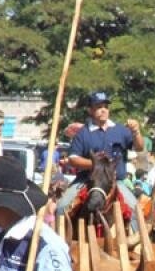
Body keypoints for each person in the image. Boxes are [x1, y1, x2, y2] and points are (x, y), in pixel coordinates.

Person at [56, 91, 144, 221]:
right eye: (98, 107)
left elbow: (139, 147)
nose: (103, 110)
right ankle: (60, 240)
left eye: (105, 107)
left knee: (136, 210)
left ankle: (137, 241)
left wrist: (136, 132)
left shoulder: (120, 130)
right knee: (61, 207)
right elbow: (73, 159)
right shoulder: (83, 133)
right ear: (90, 110)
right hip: (87, 181)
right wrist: (98, 166)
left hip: (116, 182)